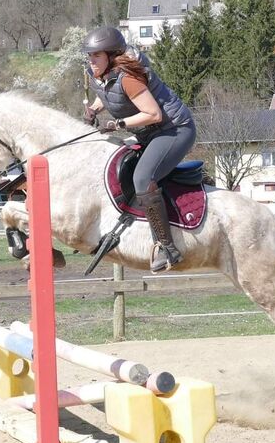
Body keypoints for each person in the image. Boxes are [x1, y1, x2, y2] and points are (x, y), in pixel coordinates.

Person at [82, 26, 196, 273]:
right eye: (89, 56)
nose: (91, 61)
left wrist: (119, 124)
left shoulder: (128, 77)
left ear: (111, 56)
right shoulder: (101, 74)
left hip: (174, 129)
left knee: (143, 177)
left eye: (96, 56)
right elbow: (108, 94)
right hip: (149, 134)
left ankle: (167, 248)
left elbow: (153, 114)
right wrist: (94, 109)